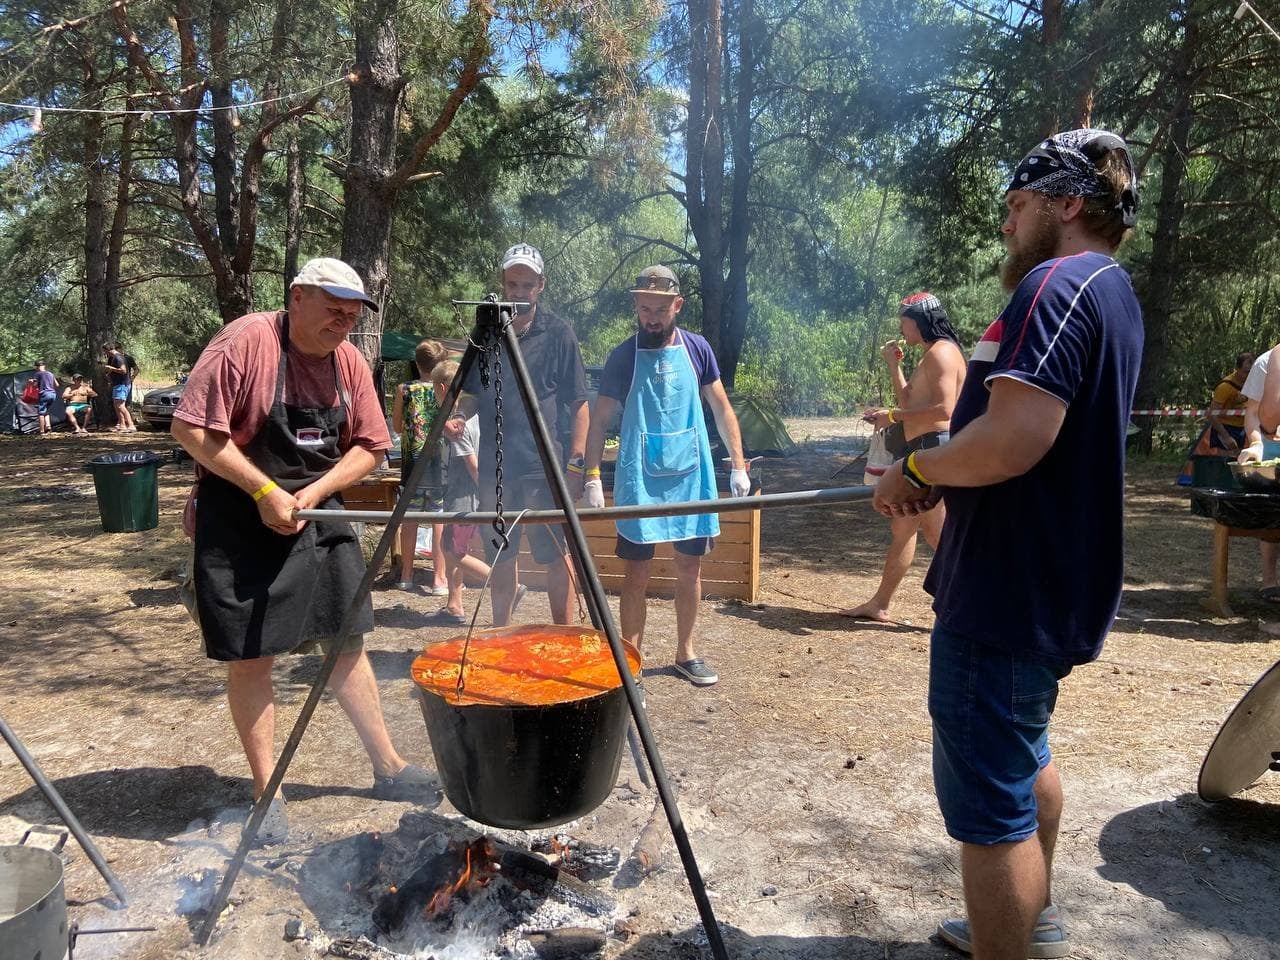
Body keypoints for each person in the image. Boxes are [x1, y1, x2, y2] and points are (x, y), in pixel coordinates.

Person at [873, 129, 1143, 960]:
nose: (1007, 227)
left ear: (1068, 204)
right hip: (1032, 583)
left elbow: (1014, 439)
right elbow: (1014, 438)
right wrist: (938, 465)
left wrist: (915, 462)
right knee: (1025, 758)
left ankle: (1009, 938)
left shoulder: (1059, 284)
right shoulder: (1112, 291)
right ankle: (1036, 922)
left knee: (992, 816)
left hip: (1006, 591)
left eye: (1019, 206)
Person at [172, 256, 437, 845]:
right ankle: (268, 793)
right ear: (297, 298)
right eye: (332, 310)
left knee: (346, 640)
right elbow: (191, 430)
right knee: (253, 655)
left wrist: (313, 492)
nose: (342, 323)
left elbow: (371, 446)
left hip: (316, 512)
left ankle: (389, 766)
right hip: (240, 512)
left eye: (351, 314)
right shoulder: (246, 342)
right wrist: (265, 490)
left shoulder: (348, 362)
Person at [582, 266, 750, 686]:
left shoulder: (698, 349)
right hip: (640, 478)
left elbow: (721, 408)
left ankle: (685, 654)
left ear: (677, 305)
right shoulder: (623, 355)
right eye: (644, 308)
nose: (651, 317)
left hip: (691, 474)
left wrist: (739, 465)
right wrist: (590, 475)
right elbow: (599, 420)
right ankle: (630, 663)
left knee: (689, 567)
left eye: (659, 309)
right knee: (636, 572)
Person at [444, 243, 588, 626]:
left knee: (557, 553)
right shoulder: (487, 334)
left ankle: (563, 635)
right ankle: (500, 636)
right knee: (500, 555)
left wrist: (577, 464)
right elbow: (472, 393)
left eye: (527, 284)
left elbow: (579, 402)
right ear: (503, 284)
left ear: (541, 285)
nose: (519, 292)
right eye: (513, 284)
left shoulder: (559, 333)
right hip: (496, 468)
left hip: (546, 468)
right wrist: (458, 416)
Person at [840, 293, 966, 622]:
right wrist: (893, 366)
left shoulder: (941, 354)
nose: (901, 328)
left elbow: (945, 409)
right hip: (923, 447)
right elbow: (909, 403)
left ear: (920, 322)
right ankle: (881, 603)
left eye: (905, 322)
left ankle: (975, 604)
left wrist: (893, 416)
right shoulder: (930, 354)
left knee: (935, 534)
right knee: (911, 529)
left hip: (935, 448)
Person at [429, 359, 490, 624]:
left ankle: (501, 579)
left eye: (434, 389)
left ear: (444, 387)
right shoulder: (463, 417)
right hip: (459, 494)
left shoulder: (460, 426)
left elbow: (474, 466)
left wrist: (486, 496)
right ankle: (454, 605)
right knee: (452, 546)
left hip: (466, 497)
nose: (434, 393)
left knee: (452, 551)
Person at [392, 339, 450, 594]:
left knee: (410, 518)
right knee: (439, 520)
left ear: (417, 363)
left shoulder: (404, 390)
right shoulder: (445, 387)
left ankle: (406, 575)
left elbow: (396, 426)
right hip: (439, 464)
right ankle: (439, 578)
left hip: (412, 464)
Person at [1235, 346, 1280, 602]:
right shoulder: (1265, 363)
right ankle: (1269, 580)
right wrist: (1255, 444)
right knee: (1271, 509)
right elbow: (1252, 413)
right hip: (1268, 446)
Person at [100, 343, 137, 432]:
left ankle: (131, 425)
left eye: (105, 351)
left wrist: (111, 368)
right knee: (116, 405)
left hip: (122, 384)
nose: (105, 354)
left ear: (108, 350)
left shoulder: (118, 358)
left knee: (120, 406)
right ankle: (122, 425)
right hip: (117, 384)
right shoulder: (115, 358)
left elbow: (123, 370)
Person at [33, 361, 59, 436]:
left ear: (37, 367)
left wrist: (32, 382)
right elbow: (57, 385)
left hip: (44, 394)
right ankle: (48, 426)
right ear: (44, 366)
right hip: (53, 394)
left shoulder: (37, 374)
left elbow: (35, 385)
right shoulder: (51, 374)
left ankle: (42, 431)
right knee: (46, 410)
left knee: (41, 412)